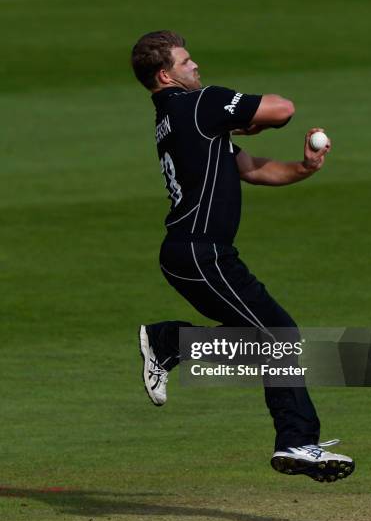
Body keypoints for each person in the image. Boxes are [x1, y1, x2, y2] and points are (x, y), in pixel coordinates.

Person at [131, 30, 354, 482]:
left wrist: (305, 168)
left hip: (194, 252)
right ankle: (296, 441)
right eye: (186, 60)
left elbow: (254, 169)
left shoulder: (178, 118)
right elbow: (282, 108)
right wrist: (247, 119)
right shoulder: (201, 104)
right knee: (279, 335)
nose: (196, 66)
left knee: (264, 341)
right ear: (165, 74)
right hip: (200, 252)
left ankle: (170, 342)